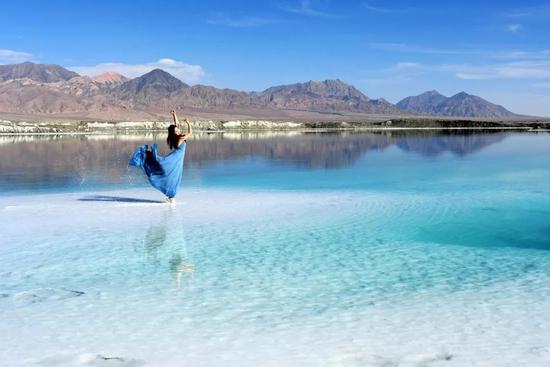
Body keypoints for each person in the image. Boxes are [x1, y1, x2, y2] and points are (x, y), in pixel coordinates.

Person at [129, 110, 192, 204]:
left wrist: (174, 115)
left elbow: (177, 125)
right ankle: (171, 196)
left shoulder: (176, 137)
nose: (178, 130)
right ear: (174, 133)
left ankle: (171, 197)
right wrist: (188, 123)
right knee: (174, 176)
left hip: (178, 158)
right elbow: (190, 133)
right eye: (176, 130)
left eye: (177, 129)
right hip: (176, 159)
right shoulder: (180, 138)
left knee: (175, 176)